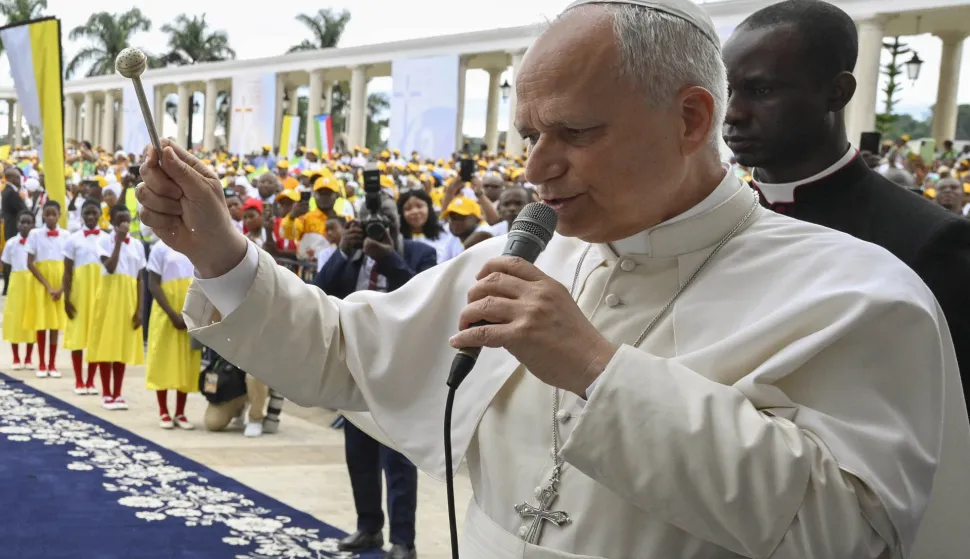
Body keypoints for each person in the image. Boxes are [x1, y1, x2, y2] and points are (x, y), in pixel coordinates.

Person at [138, 1, 969, 557]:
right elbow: (347, 354)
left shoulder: (861, 295)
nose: (536, 168)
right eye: (529, 132)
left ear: (690, 119)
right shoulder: (532, 250)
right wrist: (221, 253)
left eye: (572, 131)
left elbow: (851, 530)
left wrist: (598, 371)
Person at [723, 0, 970, 423]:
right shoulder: (719, 221)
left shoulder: (930, 241)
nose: (732, 113)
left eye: (761, 90)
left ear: (837, 93)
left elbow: (947, 413)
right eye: (727, 89)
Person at [311, 197, 435, 558]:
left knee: (397, 461)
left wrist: (388, 258)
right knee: (359, 455)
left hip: (400, 371)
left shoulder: (420, 253)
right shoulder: (350, 257)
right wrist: (344, 253)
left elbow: (424, 298)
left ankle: (402, 541)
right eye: (370, 225)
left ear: (399, 225)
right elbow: (318, 293)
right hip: (356, 368)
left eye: (388, 223)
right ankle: (368, 528)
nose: (381, 230)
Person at [87, 204, 146, 410]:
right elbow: (110, 267)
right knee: (107, 343)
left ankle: (118, 393)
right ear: (111, 221)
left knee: (122, 345)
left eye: (127, 220)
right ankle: (106, 393)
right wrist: (118, 242)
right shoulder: (103, 240)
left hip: (128, 296)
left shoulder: (138, 245)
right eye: (120, 220)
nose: (124, 224)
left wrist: (140, 309)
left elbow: (140, 278)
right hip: (109, 294)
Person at [146, 240, 199, 430]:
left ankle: (180, 412)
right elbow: (153, 283)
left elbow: (201, 279)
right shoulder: (159, 248)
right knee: (163, 359)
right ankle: (163, 410)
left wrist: (192, 312)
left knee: (186, 360)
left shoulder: (194, 245)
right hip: (166, 310)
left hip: (190, 310)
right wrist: (172, 314)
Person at [62, 199, 105, 394]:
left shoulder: (106, 239)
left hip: (99, 291)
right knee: (78, 336)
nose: (90, 217)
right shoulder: (73, 239)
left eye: (93, 213)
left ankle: (90, 381)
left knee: (96, 337)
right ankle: (79, 380)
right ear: (81, 215)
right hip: (80, 292)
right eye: (86, 213)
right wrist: (66, 298)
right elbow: (67, 272)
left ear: (100, 215)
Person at [24, 200, 68, 377]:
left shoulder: (66, 235)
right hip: (42, 284)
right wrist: (48, 286)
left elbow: (69, 264)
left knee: (55, 325)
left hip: (59, 282)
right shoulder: (35, 234)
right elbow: (30, 263)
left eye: (54, 214)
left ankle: (52, 364)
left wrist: (61, 288)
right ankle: (41, 363)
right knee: (42, 323)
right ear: (42, 215)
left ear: (59, 215)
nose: (50, 217)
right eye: (47, 214)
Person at [2, 211, 36, 369]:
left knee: (31, 319)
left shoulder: (36, 243)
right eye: (22, 222)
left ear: (33, 225)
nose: (25, 225)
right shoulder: (11, 243)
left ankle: (28, 357)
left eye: (28, 222)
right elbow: (7, 264)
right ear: (17, 224)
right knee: (15, 318)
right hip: (17, 281)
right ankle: (16, 357)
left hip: (32, 281)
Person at [398, 189, 463, 263]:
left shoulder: (446, 234)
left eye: (419, 206)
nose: (415, 211)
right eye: (408, 209)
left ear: (429, 208)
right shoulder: (398, 241)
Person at [2, 167, 28, 295]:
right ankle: (8, 285)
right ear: (12, 178)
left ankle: (8, 285)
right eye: (18, 177)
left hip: (9, 227)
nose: (20, 180)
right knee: (12, 258)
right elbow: (22, 209)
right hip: (13, 228)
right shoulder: (11, 193)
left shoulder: (8, 191)